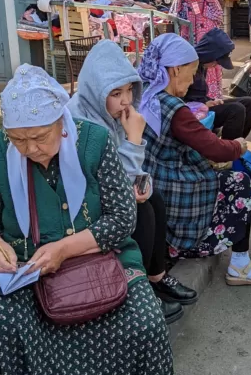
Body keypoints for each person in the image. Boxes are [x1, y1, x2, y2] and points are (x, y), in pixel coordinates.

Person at [0, 65, 176, 375]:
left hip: (101, 260)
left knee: (147, 323)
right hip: (28, 271)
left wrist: (64, 248)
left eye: (40, 137)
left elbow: (122, 219)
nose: (30, 148)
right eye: (19, 139)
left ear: (62, 123)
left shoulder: (93, 142)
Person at [68, 39, 198, 321]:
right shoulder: (82, 121)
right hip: (82, 203)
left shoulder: (109, 113)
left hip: (106, 188)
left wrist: (142, 184)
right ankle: (138, 292)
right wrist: (135, 139)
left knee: (154, 199)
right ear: (96, 89)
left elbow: (130, 177)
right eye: (116, 92)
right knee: (140, 212)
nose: (126, 101)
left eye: (129, 90)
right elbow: (111, 179)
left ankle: (156, 278)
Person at [140, 33, 251, 287]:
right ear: (176, 69)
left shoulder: (147, 96)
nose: (193, 80)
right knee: (238, 181)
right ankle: (239, 263)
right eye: (191, 73)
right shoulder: (174, 108)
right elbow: (215, 150)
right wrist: (238, 146)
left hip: (155, 180)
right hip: (172, 187)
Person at [185, 28, 251, 140]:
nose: (215, 66)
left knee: (250, 103)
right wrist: (202, 105)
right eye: (215, 62)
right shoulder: (187, 66)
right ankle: (228, 151)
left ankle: (238, 145)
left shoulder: (202, 65)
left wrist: (210, 101)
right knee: (236, 110)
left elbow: (197, 94)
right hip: (192, 111)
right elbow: (180, 99)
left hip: (202, 105)